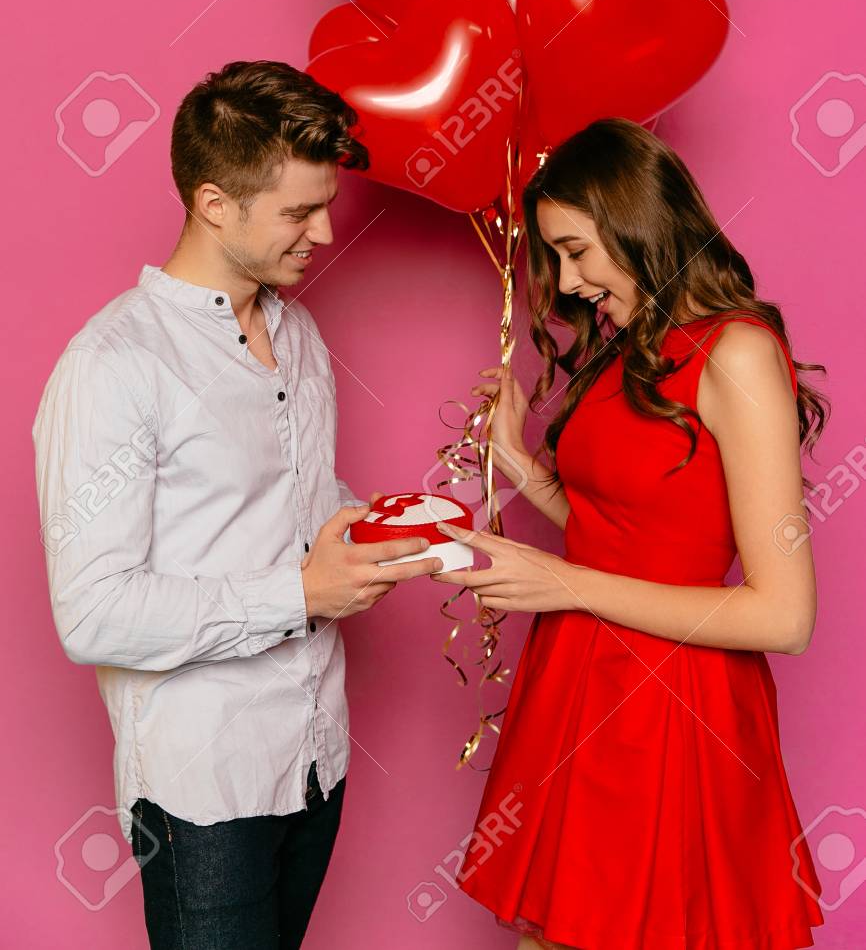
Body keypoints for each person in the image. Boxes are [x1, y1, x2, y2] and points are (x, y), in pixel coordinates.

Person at [32, 60, 444, 950]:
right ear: (214, 204)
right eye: (299, 213)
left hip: (315, 760)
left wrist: (381, 528)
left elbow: (289, 504)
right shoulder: (113, 365)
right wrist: (301, 593)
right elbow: (92, 613)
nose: (325, 232)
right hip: (204, 791)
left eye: (325, 205)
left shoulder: (300, 334)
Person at [432, 117, 829, 950]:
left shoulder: (736, 353)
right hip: (576, 687)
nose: (568, 283)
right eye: (555, 257)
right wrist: (521, 464)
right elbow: (627, 532)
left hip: (672, 711)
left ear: (637, 221)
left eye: (577, 251)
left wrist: (562, 582)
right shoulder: (632, 348)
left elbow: (785, 617)